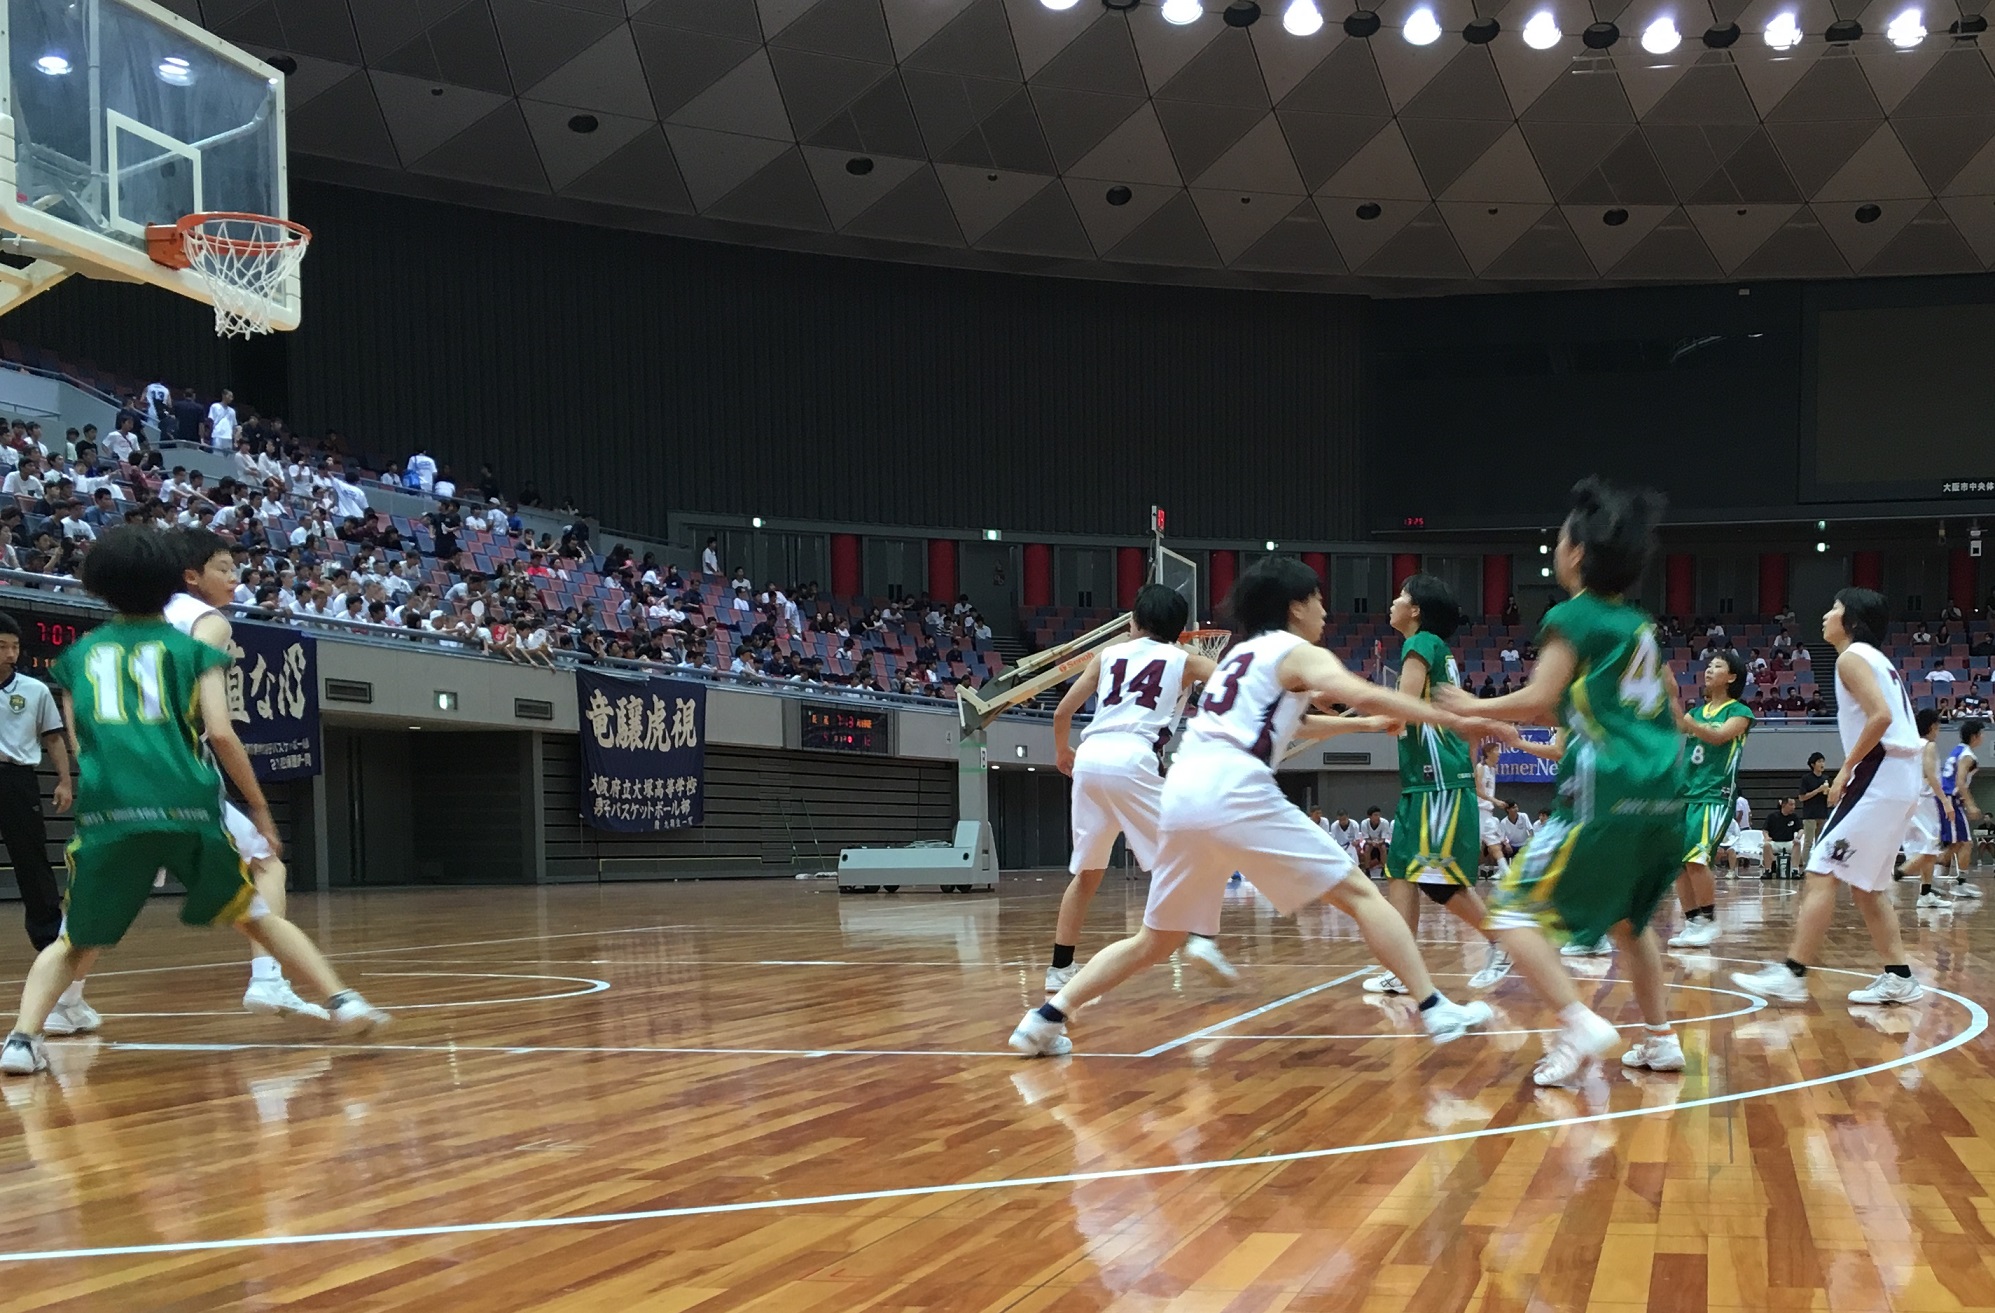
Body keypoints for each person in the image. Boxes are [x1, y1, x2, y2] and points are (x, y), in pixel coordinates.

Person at [1010, 557, 1501, 1057]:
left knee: (1154, 941)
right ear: (1295, 607)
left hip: (1183, 789)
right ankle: (1437, 1008)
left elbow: (1298, 723)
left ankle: (1043, 1020)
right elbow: (1362, 691)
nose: (1326, 611)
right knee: (1361, 894)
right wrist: (1462, 720)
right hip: (1234, 788)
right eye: (1318, 599)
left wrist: (1361, 726)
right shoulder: (1297, 651)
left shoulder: (1242, 660)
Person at [0, 528, 388, 1076]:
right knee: (257, 915)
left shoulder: (74, 659)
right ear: (172, 582)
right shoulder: (193, 649)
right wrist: (259, 807)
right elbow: (221, 735)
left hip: (112, 810)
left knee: (71, 939)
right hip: (186, 804)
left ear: (96, 587)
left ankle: (20, 1040)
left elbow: (83, 746)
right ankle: (341, 1000)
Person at [1434, 477, 1687, 1086]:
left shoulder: (1571, 616)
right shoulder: (1637, 625)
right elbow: (1574, 707)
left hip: (1607, 786)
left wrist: (1472, 707)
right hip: (1665, 789)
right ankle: (1661, 1040)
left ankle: (1577, 1021)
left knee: (1512, 910)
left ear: (1576, 552)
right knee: (1630, 920)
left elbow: (1542, 695)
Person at [1732, 588, 1926, 1007]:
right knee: (1868, 888)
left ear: (1852, 620)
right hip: (1900, 778)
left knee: (1821, 867)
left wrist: (1846, 770)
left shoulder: (1852, 658)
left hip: (1882, 773)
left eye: (1834, 608)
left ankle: (1793, 972)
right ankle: (1900, 977)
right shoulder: (1880, 661)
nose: (1825, 614)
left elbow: (1881, 717)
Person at [167, 529, 329, 1018]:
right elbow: (220, 730)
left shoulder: (132, 623)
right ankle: (268, 979)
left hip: (116, 767)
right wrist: (260, 808)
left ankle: (59, 1006)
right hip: (176, 766)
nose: (236, 580)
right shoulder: (207, 622)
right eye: (225, 569)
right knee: (267, 862)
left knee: (105, 886)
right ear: (191, 576)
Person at [1365, 574, 1511, 996]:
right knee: (1401, 873)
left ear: (1416, 611)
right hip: (1423, 779)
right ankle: (1401, 967)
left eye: (1402, 596)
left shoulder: (1421, 643)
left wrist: (1358, 714)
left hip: (1436, 778)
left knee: (1435, 878)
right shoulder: (1435, 648)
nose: (1393, 602)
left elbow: (1404, 708)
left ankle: (1500, 942)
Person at [0, 614, 77, 1032]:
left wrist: (65, 780)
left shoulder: (32, 689)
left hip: (17, 780)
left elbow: (52, 738)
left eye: (14, 645)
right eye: (2, 645)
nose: (10, 653)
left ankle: (49, 942)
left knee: (32, 862)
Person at [1668, 650, 1753, 949]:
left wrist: (1687, 721)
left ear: (1731, 677)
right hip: (1687, 793)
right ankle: (1693, 923)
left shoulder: (1739, 712)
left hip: (1715, 795)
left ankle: (1709, 919)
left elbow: (1717, 738)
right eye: (1708, 665)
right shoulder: (1696, 713)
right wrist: (1667, 686)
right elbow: (1674, 722)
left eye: (1717, 666)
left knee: (1696, 858)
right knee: (1677, 863)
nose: (1708, 670)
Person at [1907, 710, 1953, 910]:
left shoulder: (1911, 745)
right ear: (1932, 726)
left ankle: (1925, 892)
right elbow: (1930, 775)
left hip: (1912, 800)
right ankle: (1901, 873)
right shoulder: (1929, 745)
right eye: (1938, 726)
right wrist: (1945, 801)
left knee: (1926, 846)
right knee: (1930, 848)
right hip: (1926, 801)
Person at [1940, 719, 1984, 899]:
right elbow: (1959, 782)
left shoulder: (1957, 750)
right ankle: (1960, 884)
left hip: (1947, 798)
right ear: (1975, 736)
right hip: (1951, 798)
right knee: (1966, 843)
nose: (1982, 738)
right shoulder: (1967, 756)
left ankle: (1930, 871)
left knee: (1956, 844)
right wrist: (1971, 804)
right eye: (1981, 734)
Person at [1796, 752, 1831, 865]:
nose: (1822, 764)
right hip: (1810, 815)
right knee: (1808, 842)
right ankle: (1805, 865)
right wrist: (1818, 790)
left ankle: (1819, 865)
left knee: (1821, 842)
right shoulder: (1806, 778)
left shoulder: (1826, 778)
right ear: (1813, 764)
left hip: (1823, 814)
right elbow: (1802, 797)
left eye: (1823, 761)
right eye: (1819, 761)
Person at [1763, 798, 1802, 877]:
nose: (1793, 807)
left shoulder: (1794, 817)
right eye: (1791, 805)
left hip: (1788, 842)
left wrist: (1798, 837)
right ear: (1783, 805)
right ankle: (1768, 870)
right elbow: (1765, 830)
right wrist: (1766, 837)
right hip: (1775, 842)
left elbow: (1801, 829)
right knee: (1766, 845)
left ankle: (1795, 870)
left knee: (1797, 844)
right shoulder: (1772, 816)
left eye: (1794, 805)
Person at [1357, 806, 1392, 873]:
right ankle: (1367, 870)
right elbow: (1366, 838)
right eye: (1375, 815)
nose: (1378, 817)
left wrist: (1378, 842)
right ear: (1369, 816)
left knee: (1383, 848)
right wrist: (1372, 842)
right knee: (1367, 848)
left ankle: (1384, 869)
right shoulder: (1364, 823)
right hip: (1369, 842)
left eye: (1379, 815)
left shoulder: (1385, 822)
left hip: (1381, 842)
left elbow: (1383, 838)